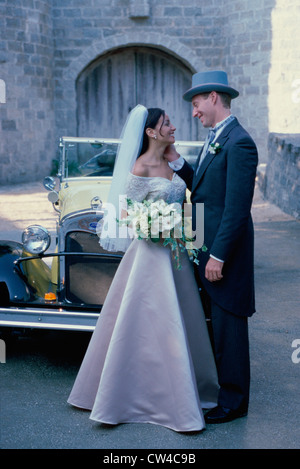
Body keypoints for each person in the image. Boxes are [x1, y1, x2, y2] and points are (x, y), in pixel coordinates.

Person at [67, 105, 219, 432]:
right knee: (148, 323)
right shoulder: (141, 167)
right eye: (167, 124)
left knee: (181, 320)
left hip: (175, 255)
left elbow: (193, 196)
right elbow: (126, 215)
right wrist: (153, 226)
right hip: (150, 256)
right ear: (151, 132)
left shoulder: (171, 162)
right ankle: (133, 397)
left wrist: (180, 229)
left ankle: (187, 391)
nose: (174, 126)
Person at [165, 71, 258, 424]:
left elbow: (236, 209)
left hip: (224, 252)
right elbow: (204, 190)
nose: (194, 112)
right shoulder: (216, 138)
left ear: (214, 97)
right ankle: (221, 391)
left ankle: (234, 403)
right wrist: (176, 161)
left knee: (229, 325)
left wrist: (217, 255)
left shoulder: (239, 142)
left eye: (196, 103)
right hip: (205, 244)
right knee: (215, 325)